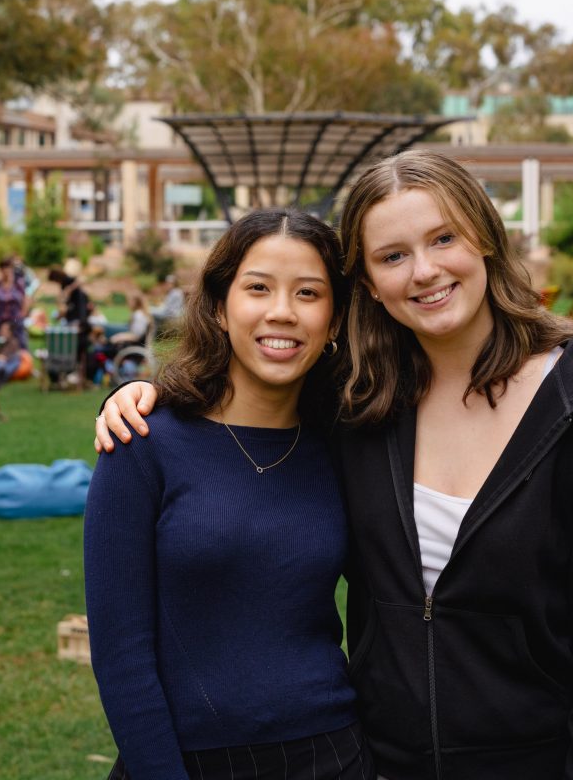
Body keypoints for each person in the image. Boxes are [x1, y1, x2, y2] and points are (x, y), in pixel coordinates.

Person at [97, 151, 573, 779]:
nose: (424, 271)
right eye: (392, 255)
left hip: (528, 760)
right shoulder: (366, 407)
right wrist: (137, 394)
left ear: (484, 237)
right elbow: (242, 411)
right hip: (378, 761)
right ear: (367, 282)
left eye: (443, 238)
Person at [85, 208, 370, 780]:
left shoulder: (348, 446)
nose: (282, 312)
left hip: (332, 754)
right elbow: (121, 655)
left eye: (309, 293)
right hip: (185, 761)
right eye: (258, 288)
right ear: (219, 306)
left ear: (336, 319)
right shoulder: (142, 440)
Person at [47, 266, 91, 382]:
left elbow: (81, 279)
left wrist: (69, 289)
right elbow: (64, 303)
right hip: (72, 315)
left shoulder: (69, 280)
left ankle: (73, 369)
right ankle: (63, 370)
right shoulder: (62, 285)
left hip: (79, 315)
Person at [0, 257, 27, 347]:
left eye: (8, 268)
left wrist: (21, 315)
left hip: (15, 321)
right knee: (1, 345)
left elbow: (25, 301)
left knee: (20, 345)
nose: (6, 271)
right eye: (4, 268)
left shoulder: (18, 285)